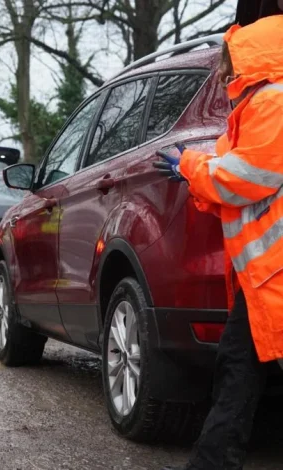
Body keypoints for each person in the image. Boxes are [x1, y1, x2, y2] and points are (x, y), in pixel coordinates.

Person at [155, 15, 283, 470]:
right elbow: (227, 168)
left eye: (231, 60)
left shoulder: (272, 102)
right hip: (263, 276)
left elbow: (243, 179)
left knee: (237, 373)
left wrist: (188, 166)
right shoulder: (253, 107)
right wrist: (192, 168)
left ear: (255, 57)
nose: (225, 71)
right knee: (236, 372)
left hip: (274, 274)